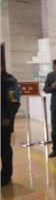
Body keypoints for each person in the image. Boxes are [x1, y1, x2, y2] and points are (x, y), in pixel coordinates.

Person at [1, 45, 20, 187]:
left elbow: (14, 102)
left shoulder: (9, 81)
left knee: (4, 147)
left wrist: (8, 118)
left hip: (3, 120)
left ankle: (6, 175)